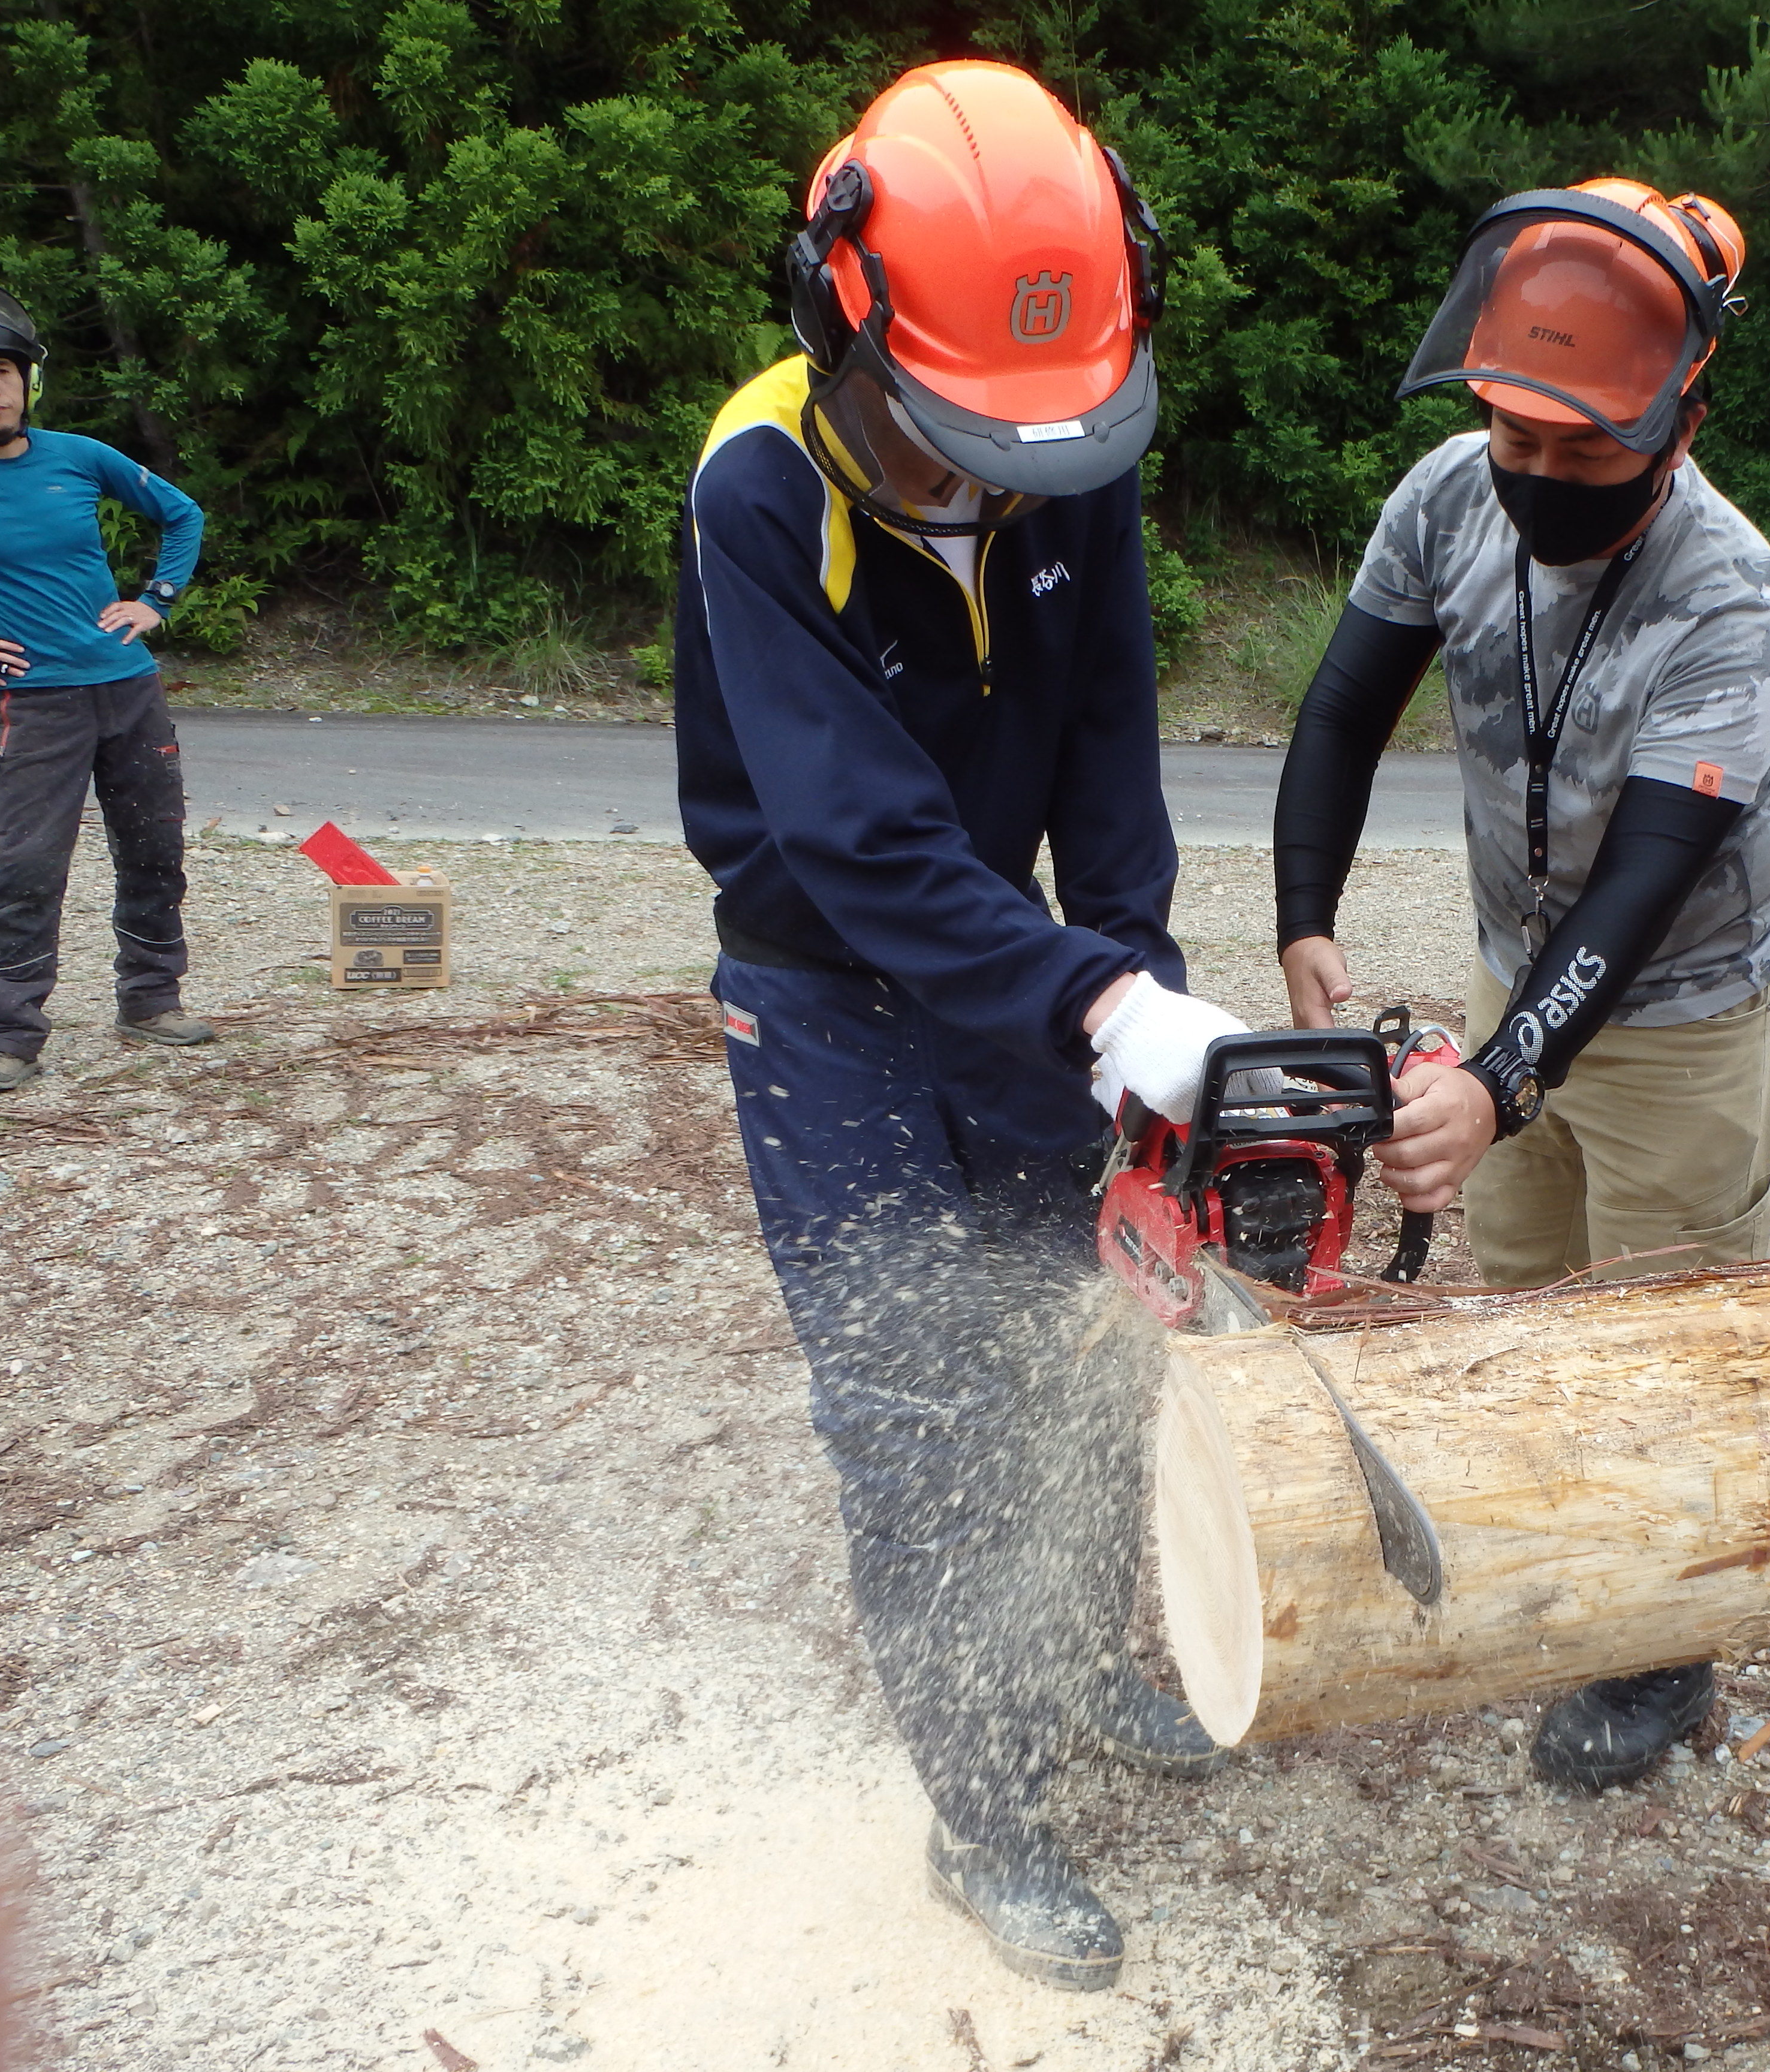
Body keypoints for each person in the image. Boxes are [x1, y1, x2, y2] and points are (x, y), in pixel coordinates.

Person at [674, 61, 1252, 1993]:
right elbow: (856, 839)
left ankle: (1084, 1665)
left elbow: (1110, 743)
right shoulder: (759, 490)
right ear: (842, 321)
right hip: (826, 1001)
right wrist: (1089, 996)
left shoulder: (1072, 448)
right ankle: (984, 1814)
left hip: (1027, 974)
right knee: (920, 1410)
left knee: (1092, 1335)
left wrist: (1138, 978)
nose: (1002, 474)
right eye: (963, 436)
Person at [1273, 181, 1770, 1788]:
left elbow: (1644, 888)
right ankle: (1570, 1557)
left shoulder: (1732, 594)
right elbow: (1344, 707)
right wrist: (1307, 911)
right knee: (1532, 1289)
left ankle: (1665, 1655)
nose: (1540, 483)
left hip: (1684, 1005)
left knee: (1667, 1335)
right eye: (1519, 443)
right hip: (1523, 972)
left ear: (1681, 414)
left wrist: (1498, 1085)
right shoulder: (1447, 497)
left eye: (1584, 454)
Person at [0, 279, 210, 1093]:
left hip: (129, 688)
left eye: (1, 370)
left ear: (27, 380)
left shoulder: (80, 456)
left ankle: (150, 999)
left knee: (153, 849)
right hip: (35, 704)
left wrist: (155, 602)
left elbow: (183, 515)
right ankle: (6, 1035)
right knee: (27, 865)